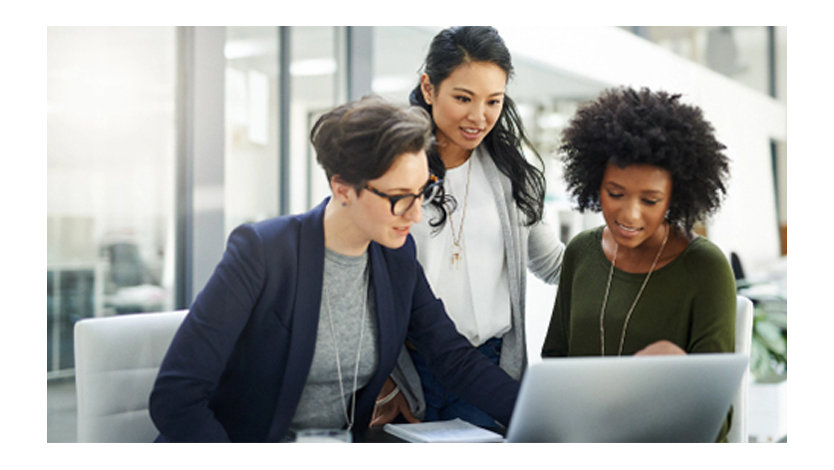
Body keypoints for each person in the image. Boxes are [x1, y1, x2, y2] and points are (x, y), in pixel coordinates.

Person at [148, 96, 519, 442]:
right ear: (342, 189)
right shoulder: (263, 252)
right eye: (399, 197)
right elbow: (176, 396)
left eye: (423, 192)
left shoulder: (396, 257)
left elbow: (452, 358)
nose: (416, 214)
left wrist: (536, 412)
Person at [371, 26, 564, 429]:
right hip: (407, 373)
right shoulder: (391, 170)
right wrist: (384, 380)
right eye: (463, 98)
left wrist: (631, 249)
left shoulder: (513, 175)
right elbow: (362, 281)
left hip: (488, 369)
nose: (479, 117)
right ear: (429, 88)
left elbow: (553, 264)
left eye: (493, 101)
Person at [540, 86, 736, 441]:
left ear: (675, 197)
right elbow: (554, 363)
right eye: (615, 193)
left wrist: (676, 374)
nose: (629, 214)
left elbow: (716, 418)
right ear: (594, 183)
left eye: (650, 200)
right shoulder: (581, 252)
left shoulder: (705, 268)